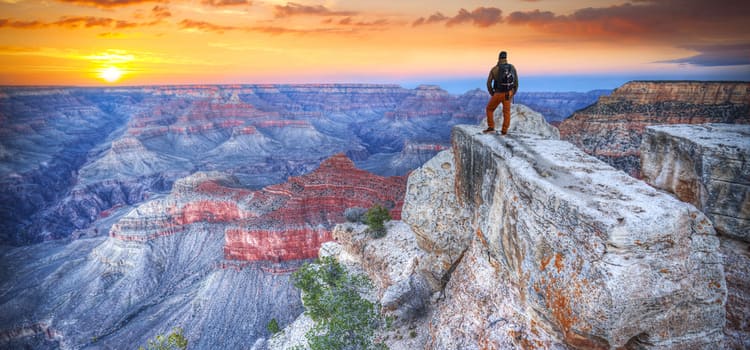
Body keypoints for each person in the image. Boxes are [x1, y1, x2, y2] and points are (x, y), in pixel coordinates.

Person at [484, 51, 518, 134]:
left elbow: (488, 83)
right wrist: (512, 93)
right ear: (506, 58)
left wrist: (492, 93)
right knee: (506, 112)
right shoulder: (512, 68)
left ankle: (491, 127)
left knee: (489, 109)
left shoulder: (494, 69)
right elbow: (516, 82)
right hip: (508, 94)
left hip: (498, 93)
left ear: (499, 58)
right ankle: (504, 130)